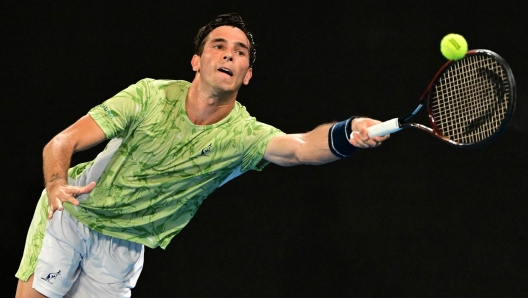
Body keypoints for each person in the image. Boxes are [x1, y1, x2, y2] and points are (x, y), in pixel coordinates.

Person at [15, 13, 389, 297]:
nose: (229, 54)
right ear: (197, 61)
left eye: (240, 52)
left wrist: (349, 130)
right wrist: (56, 185)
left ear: (247, 75)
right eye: (219, 45)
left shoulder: (243, 135)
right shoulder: (149, 96)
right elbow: (61, 142)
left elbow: (302, 148)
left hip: (126, 243)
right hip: (72, 212)